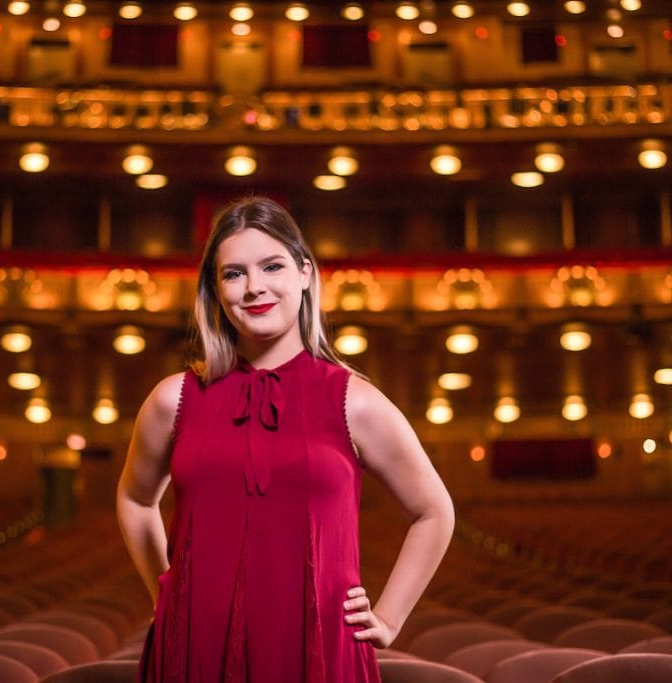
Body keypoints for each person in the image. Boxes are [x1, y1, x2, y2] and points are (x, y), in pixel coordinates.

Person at [116, 196, 454, 682]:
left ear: (304, 273)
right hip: (194, 643)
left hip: (318, 642)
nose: (254, 288)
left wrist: (390, 616)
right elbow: (134, 498)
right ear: (214, 290)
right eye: (233, 274)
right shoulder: (174, 398)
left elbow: (434, 511)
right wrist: (166, 590)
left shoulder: (354, 401)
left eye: (271, 266)